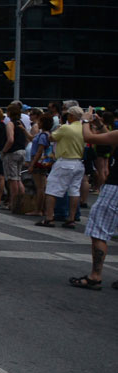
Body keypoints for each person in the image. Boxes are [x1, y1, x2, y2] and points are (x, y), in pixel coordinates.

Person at [73, 108, 118, 290]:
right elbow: (111, 138)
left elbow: (89, 138)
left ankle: (95, 276)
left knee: (99, 230)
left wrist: (84, 121)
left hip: (115, 187)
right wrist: (100, 126)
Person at [38, 105, 86, 228]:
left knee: (52, 189)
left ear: (71, 116)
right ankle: (71, 218)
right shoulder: (84, 128)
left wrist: (56, 130)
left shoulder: (65, 128)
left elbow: (51, 137)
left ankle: (49, 218)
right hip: (79, 162)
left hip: (65, 161)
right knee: (74, 191)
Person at [0, 102, 29, 211]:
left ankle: (13, 203)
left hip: (12, 153)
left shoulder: (10, 124)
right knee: (18, 177)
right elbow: (26, 138)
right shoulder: (21, 123)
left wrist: (4, 151)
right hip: (22, 151)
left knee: (12, 180)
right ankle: (21, 201)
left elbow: (10, 139)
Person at [29, 111, 55, 216]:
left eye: (40, 121)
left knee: (40, 187)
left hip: (38, 161)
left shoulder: (43, 135)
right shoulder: (47, 134)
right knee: (42, 186)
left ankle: (38, 209)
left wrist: (32, 164)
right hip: (42, 161)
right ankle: (41, 208)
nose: (38, 123)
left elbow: (39, 151)